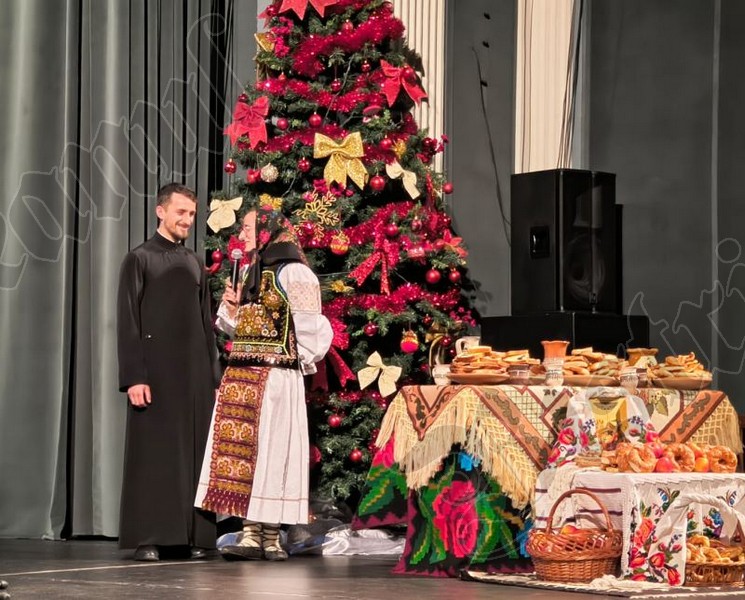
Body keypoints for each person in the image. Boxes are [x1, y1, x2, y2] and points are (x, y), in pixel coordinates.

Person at [195, 206, 333, 561]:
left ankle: (271, 536)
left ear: (269, 230)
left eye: (248, 228)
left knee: (274, 451)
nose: (241, 235)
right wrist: (231, 309)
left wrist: (297, 360)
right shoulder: (248, 271)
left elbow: (309, 327)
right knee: (244, 455)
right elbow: (237, 329)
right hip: (242, 374)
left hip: (275, 376)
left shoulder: (295, 273)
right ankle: (250, 533)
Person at [117, 183, 221, 561]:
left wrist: (214, 379)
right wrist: (134, 377)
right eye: (181, 212)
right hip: (155, 373)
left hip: (194, 375)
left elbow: (206, 324)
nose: (187, 220)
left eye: (192, 214)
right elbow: (128, 320)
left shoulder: (194, 262)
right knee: (155, 454)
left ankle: (196, 536)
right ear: (161, 211)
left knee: (195, 452)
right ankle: (151, 536)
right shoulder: (139, 258)